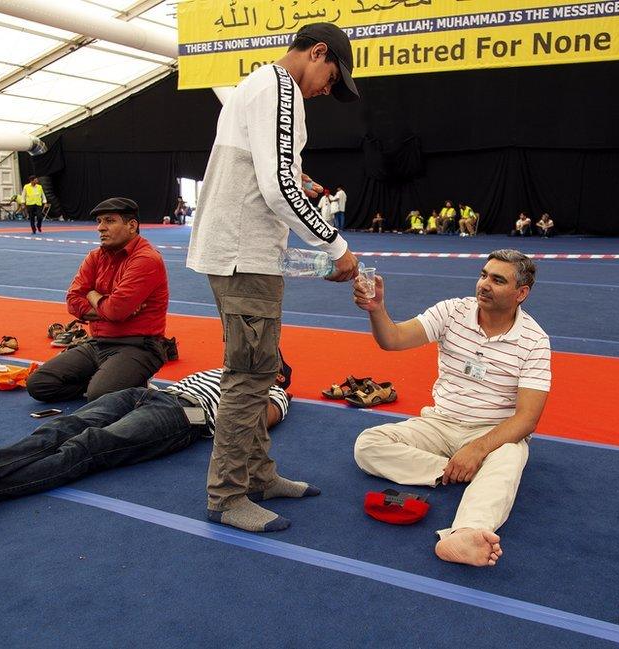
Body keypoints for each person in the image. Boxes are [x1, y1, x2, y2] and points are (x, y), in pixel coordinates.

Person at [186, 22, 360, 533]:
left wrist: (296, 177)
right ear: (318, 52)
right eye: (332, 77)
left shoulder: (255, 85)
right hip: (245, 256)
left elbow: (267, 170)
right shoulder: (283, 88)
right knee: (248, 376)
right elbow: (278, 186)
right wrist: (337, 247)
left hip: (239, 252)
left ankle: (258, 475)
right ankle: (228, 494)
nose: (328, 89)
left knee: (258, 371)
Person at [0, 364, 291, 520]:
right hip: (147, 393)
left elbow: (245, 426)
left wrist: (260, 388)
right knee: (58, 429)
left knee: (87, 446)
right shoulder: (225, 368)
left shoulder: (272, 394)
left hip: (184, 416)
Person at [352, 249, 551, 567]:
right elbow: (392, 339)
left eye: (498, 280)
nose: (484, 284)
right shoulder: (453, 311)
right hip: (440, 423)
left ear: (521, 293)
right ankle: (462, 474)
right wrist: (377, 309)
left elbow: (527, 419)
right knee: (368, 445)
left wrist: (477, 449)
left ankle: (467, 533)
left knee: (511, 457)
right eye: (483, 275)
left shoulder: (535, 341)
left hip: (493, 433)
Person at [26, 197, 170, 402]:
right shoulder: (95, 256)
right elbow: (73, 301)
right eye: (99, 222)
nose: (100, 228)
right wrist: (109, 307)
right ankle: (111, 382)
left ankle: (119, 384)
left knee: (99, 395)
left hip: (138, 346)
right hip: (98, 343)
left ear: (131, 226)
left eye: (109, 221)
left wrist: (93, 295)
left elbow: (116, 310)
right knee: (38, 384)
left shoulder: (146, 259)